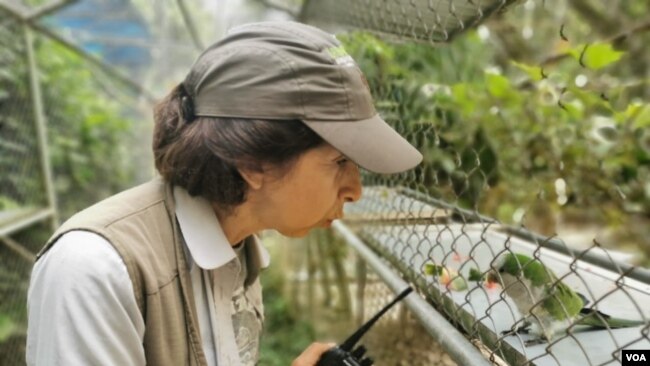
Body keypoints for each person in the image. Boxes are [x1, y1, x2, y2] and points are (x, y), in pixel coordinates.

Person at [26, 21, 422, 366]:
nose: (354, 190)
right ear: (251, 161)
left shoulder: (239, 250)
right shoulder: (94, 271)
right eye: (339, 162)